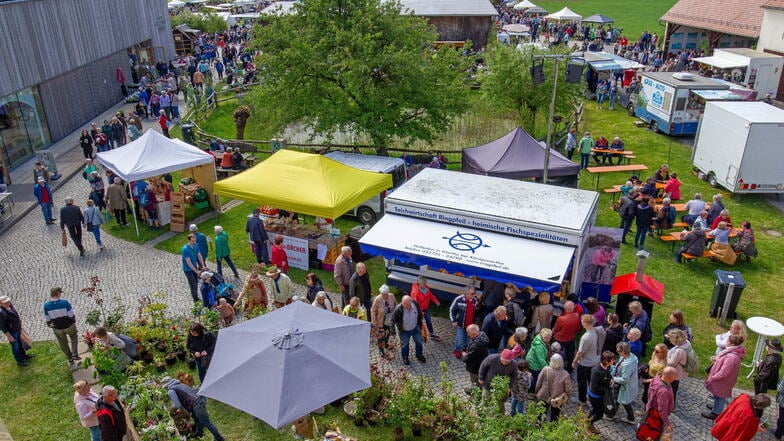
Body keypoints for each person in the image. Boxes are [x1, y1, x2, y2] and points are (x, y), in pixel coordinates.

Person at [163, 377, 225, 441]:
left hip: (196, 403)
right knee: (196, 418)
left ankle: (219, 438)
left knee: (206, 422)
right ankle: (199, 432)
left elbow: (177, 404)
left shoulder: (171, 391)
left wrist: (172, 409)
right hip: (199, 399)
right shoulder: (178, 384)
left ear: (166, 385)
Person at [703, 334, 746, 419]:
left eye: (727, 341)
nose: (725, 342)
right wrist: (716, 359)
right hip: (723, 381)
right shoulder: (732, 351)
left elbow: (724, 373)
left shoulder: (731, 357)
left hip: (722, 381)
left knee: (720, 396)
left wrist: (713, 378)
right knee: (717, 395)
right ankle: (716, 407)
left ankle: (716, 413)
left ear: (732, 344)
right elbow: (723, 361)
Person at [44, 287, 79, 363]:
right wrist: (73, 321)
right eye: (60, 293)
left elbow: (48, 319)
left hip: (57, 328)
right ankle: (74, 354)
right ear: (57, 293)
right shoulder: (65, 302)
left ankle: (69, 358)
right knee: (74, 337)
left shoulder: (46, 305)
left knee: (63, 343)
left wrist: (50, 325)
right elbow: (71, 315)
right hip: (69, 326)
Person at [535, 353, 573, 421]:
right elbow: (568, 389)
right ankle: (552, 429)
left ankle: (538, 427)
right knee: (555, 415)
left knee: (541, 413)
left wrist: (537, 391)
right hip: (557, 398)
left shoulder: (545, 369)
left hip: (544, 395)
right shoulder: (565, 374)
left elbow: (539, 382)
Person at [574, 315, 602, 404]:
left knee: (582, 382)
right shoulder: (597, 330)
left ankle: (582, 399)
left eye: (582, 321)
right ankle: (592, 397)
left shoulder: (586, 337)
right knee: (591, 381)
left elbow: (581, 353)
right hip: (595, 360)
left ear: (585, 323)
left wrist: (574, 361)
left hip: (585, 363)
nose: (581, 322)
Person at [587, 351, 616, 432]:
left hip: (601, 395)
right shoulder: (596, 371)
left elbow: (608, 374)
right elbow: (595, 386)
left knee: (596, 409)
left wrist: (611, 379)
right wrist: (607, 389)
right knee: (599, 415)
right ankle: (589, 424)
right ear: (606, 361)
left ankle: (587, 420)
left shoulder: (608, 366)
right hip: (595, 396)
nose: (614, 361)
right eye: (612, 360)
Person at [392, 295, 425, 365]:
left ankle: (419, 355)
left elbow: (419, 314)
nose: (405, 306)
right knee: (405, 345)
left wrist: (420, 324)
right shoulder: (398, 309)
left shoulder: (415, 305)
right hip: (404, 331)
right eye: (404, 304)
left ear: (411, 302)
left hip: (415, 328)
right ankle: (405, 357)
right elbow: (392, 320)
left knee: (419, 342)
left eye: (407, 304)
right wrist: (393, 331)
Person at [612, 341, 639, 425]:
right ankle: (630, 418)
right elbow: (618, 366)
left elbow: (624, 379)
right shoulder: (630, 356)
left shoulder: (627, 364)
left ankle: (611, 414)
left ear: (623, 352)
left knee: (619, 400)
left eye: (618, 351)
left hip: (623, 386)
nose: (617, 352)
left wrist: (613, 378)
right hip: (624, 384)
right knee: (623, 401)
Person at [0, 295, 32, 366]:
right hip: (12, 333)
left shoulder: (10, 305)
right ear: (0, 303)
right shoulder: (1, 313)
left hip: (17, 329)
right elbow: (2, 326)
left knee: (20, 344)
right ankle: (19, 361)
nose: (8, 303)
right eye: (5, 302)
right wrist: (9, 336)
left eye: (8, 301)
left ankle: (24, 356)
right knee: (15, 347)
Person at [450, 285, 480, 359]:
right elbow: (451, 310)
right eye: (472, 294)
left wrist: (476, 321)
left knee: (468, 339)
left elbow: (477, 311)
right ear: (466, 293)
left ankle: (465, 349)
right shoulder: (458, 299)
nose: (474, 295)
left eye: (474, 293)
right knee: (459, 338)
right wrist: (454, 320)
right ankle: (457, 350)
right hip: (460, 324)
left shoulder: (475, 300)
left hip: (470, 325)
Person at [646, 367, 676, 437]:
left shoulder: (656, 378)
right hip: (656, 416)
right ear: (670, 378)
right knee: (655, 432)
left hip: (650, 410)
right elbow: (662, 410)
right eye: (675, 376)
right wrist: (667, 424)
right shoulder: (663, 392)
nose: (676, 378)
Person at [410, 276, 441, 342]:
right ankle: (420, 335)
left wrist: (436, 301)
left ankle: (431, 334)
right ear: (419, 283)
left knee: (428, 320)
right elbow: (415, 303)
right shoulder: (415, 292)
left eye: (425, 283)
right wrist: (420, 311)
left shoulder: (426, 288)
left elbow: (431, 295)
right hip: (417, 310)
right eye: (423, 283)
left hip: (425, 308)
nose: (425, 284)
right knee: (419, 322)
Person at [552, 301, 580, 372]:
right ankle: (570, 369)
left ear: (564, 308)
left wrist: (552, 333)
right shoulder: (577, 315)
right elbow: (578, 328)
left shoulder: (561, 319)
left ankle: (556, 367)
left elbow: (556, 329)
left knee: (557, 353)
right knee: (570, 354)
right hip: (571, 338)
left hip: (560, 338)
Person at [665, 329, 691, 402]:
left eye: (670, 339)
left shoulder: (679, 351)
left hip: (676, 371)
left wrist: (666, 355)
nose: (669, 340)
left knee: (672, 388)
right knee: (675, 386)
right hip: (681, 369)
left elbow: (671, 363)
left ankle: (670, 403)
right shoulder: (687, 343)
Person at [370, 284, 396, 356]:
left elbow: (395, 304)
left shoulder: (391, 296)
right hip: (381, 320)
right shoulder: (378, 299)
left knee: (388, 332)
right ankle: (381, 349)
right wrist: (374, 322)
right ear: (381, 293)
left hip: (389, 318)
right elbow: (373, 310)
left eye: (386, 294)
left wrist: (394, 315)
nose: (385, 296)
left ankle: (386, 343)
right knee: (381, 336)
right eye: (383, 294)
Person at [526, 328, 552, 393]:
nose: (549, 339)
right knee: (536, 378)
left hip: (531, 360)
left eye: (550, 337)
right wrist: (548, 368)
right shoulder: (539, 346)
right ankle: (531, 391)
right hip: (534, 364)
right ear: (542, 336)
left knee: (532, 376)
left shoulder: (539, 339)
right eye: (546, 338)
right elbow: (541, 360)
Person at [182, 233, 205, 303]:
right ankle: (195, 299)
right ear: (189, 240)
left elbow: (199, 255)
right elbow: (188, 262)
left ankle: (195, 295)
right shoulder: (185, 249)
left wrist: (203, 265)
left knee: (196, 282)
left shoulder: (196, 245)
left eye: (195, 240)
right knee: (193, 284)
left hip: (194, 267)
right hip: (188, 270)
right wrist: (196, 271)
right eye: (192, 241)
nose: (194, 242)